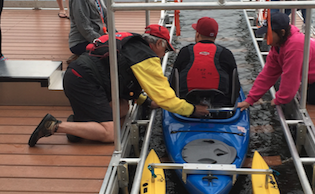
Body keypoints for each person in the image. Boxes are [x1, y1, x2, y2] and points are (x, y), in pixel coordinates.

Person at [28, 25, 210, 146]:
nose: (164, 55)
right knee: (112, 134)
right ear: (159, 43)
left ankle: (82, 125)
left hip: (78, 75)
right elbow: (166, 99)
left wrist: (145, 102)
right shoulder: (146, 57)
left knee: (123, 108)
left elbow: (122, 78)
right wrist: (193, 110)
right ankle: (54, 125)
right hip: (85, 82)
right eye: (166, 49)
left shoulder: (131, 43)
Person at [170, 16, 239, 102]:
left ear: (197, 34)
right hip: (220, 105)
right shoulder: (226, 53)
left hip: (187, 104)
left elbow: (172, 81)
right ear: (215, 36)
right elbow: (235, 85)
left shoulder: (185, 52)